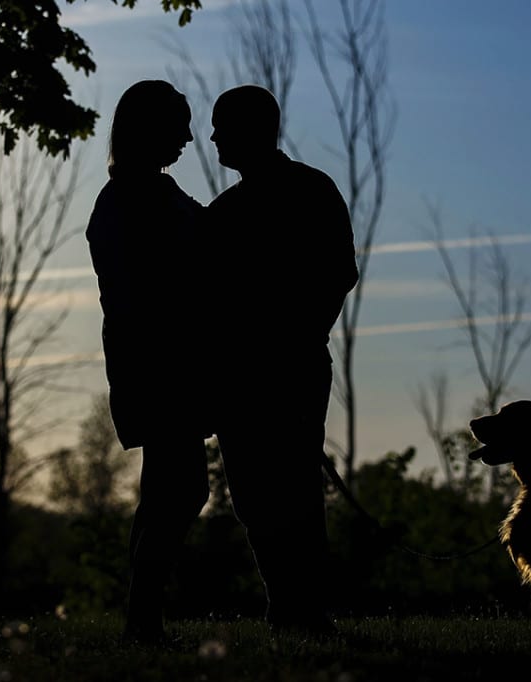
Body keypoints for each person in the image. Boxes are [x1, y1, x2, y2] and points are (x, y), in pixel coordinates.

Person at [206, 84, 359, 634]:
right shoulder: (223, 213)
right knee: (252, 493)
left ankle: (306, 610)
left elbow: (339, 272)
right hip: (239, 377)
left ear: (253, 130)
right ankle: (286, 605)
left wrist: (298, 335)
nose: (214, 137)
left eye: (223, 126)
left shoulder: (310, 190)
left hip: (291, 369)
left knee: (291, 488)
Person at [85, 80, 211, 644]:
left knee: (172, 488)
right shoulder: (137, 198)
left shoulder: (148, 192)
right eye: (178, 125)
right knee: (177, 489)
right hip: (158, 364)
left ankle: (144, 619)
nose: (188, 136)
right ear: (149, 129)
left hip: (159, 361)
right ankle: (143, 620)